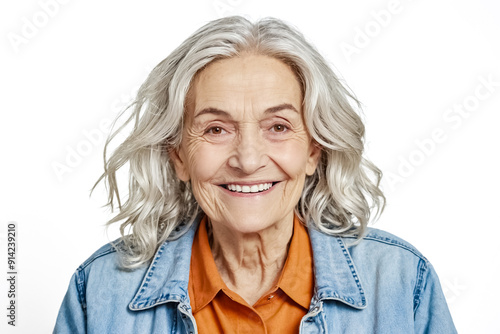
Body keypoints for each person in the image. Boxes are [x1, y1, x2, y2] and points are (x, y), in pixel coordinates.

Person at [53, 16, 457, 333]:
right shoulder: (100, 290)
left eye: (278, 127)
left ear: (314, 150)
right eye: (215, 129)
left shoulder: (403, 283)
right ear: (177, 155)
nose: (247, 160)